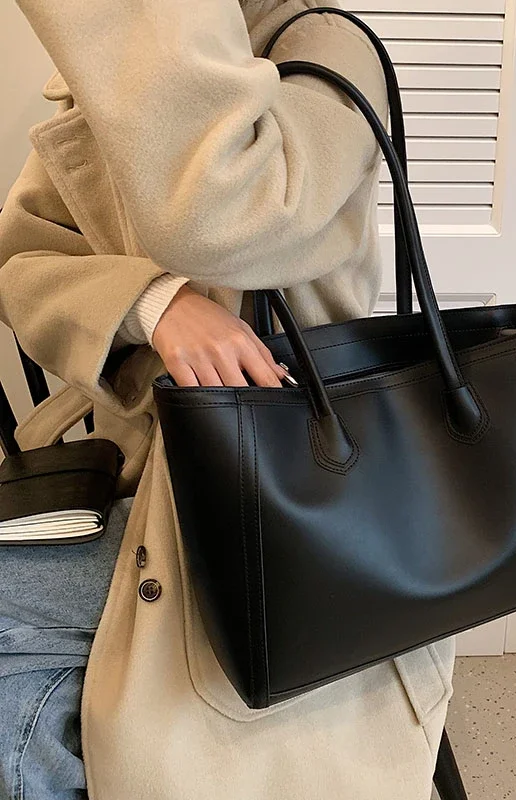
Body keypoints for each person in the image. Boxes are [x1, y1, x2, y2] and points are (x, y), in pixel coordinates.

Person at [0, 2, 455, 799]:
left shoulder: (323, 47)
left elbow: (222, 219)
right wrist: (153, 305)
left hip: (290, 482)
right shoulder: (115, 73)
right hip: (138, 471)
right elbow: (22, 264)